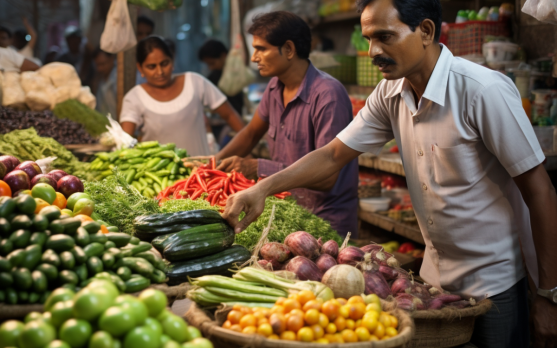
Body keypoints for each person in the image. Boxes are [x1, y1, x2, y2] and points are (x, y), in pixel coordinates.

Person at [222, 0, 557, 347]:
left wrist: (549, 295)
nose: (373, 51)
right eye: (368, 39)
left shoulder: (482, 90)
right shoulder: (390, 92)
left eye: (384, 37)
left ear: (425, 31)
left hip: (494, 284)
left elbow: (540, 192)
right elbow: (334, 153)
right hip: (431, 280)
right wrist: (264, 187)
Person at [216, 11, 358, 237]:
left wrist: (258, 167)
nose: (254, 58)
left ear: (289, 50)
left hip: (326, 223)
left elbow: (328, 176)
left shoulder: (328, 95)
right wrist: (215, 165)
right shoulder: (274, 87)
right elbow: (251, 133)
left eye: (261, 49)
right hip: (289, 212)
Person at [119, 36, 245, 156]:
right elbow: (125, 142)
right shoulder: (134, 97)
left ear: (172, 60)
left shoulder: (195, 82)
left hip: (202, 174)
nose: (160, 72)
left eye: (164, 63)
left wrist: (248, 146)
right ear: (140, 68)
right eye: (151, 67)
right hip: (159, 177)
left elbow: (230, 115)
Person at [198, 39, 244, 115]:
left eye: (212, 63)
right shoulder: (215, 75)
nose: (210, 68)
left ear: (223, 55)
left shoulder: (234, 73)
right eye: (208, 65)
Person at [91, 48, 117, 117]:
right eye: (97, 65)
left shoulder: (119, 78)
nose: (99, 68)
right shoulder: (100, 79)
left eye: (103, 64)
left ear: (111, 59)